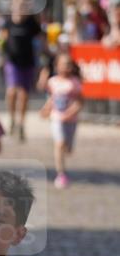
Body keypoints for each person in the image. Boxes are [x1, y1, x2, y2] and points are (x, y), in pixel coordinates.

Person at [0, 0, 43, 141]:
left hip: (28, 61)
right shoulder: (7, 22)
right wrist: (1, 50)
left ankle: (21, 123)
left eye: (23, 5)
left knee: (24, 93)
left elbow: (40, 39)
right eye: (18, 5)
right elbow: (2, 40)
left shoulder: (31, 22)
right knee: (12, 91)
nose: (20, 8)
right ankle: (11, 118)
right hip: (12, 61)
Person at [39, 51, 83, 190]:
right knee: (59, 143)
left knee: (68, 148)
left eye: (69, 64)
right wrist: (46, 109)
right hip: (57, 118)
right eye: (63, 64)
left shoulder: (74, 83)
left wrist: (70, 113)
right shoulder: (53, 82)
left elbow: (80, 102)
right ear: (57, 66)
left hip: (71, 119)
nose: (66, 67)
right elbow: (52, 99)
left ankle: (67, 150)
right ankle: (61, 173)